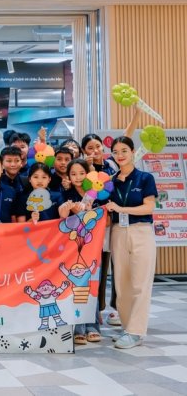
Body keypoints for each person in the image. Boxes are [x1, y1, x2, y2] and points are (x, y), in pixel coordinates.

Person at [105, 136, 158, 349]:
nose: (120, 155)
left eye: (124, 150)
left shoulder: (145, 178)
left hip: (141, 231)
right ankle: (127, 328)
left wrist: (121, 209)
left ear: (133, 151)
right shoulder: (109, 181)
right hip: (118, 232)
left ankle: (137, 331)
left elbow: (148, 207)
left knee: (140, 283)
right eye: (116, 151)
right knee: (122, 283)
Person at [59, 158, 105, 344]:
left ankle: (93, 326)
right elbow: (60, 218)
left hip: (94, 246)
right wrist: (71, 211)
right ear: (68, 176)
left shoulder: (97, 193)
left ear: (88, 174)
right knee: (76, 286)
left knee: (92, 285)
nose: (78, 177)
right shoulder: (65, 194)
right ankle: (78, 328)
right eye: (73, 174)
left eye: (81, 173)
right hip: (72, 248)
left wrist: (90, 212)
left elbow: (105, 218)